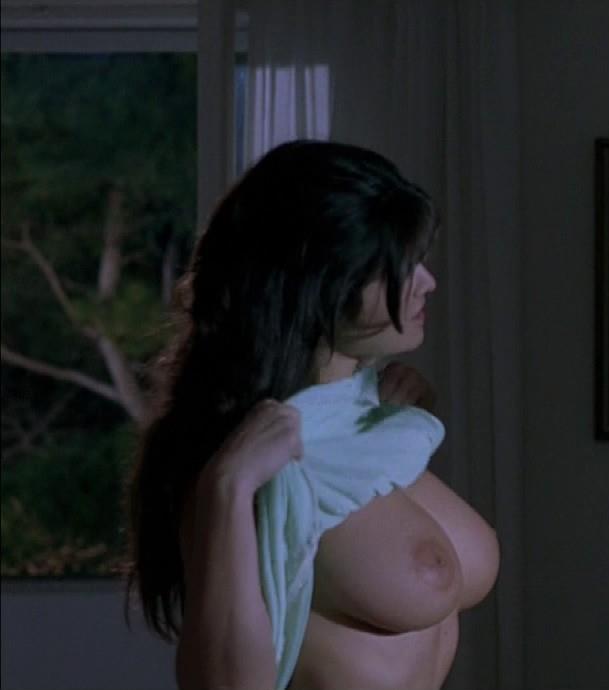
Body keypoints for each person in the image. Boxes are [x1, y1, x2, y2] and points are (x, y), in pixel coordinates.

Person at [126, 140, 499, 690]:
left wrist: (392, 431)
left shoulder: (361, 416)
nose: (427, 281)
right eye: (399, 266)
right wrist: (226, 488)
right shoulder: (253, 458)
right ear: (323, 283)